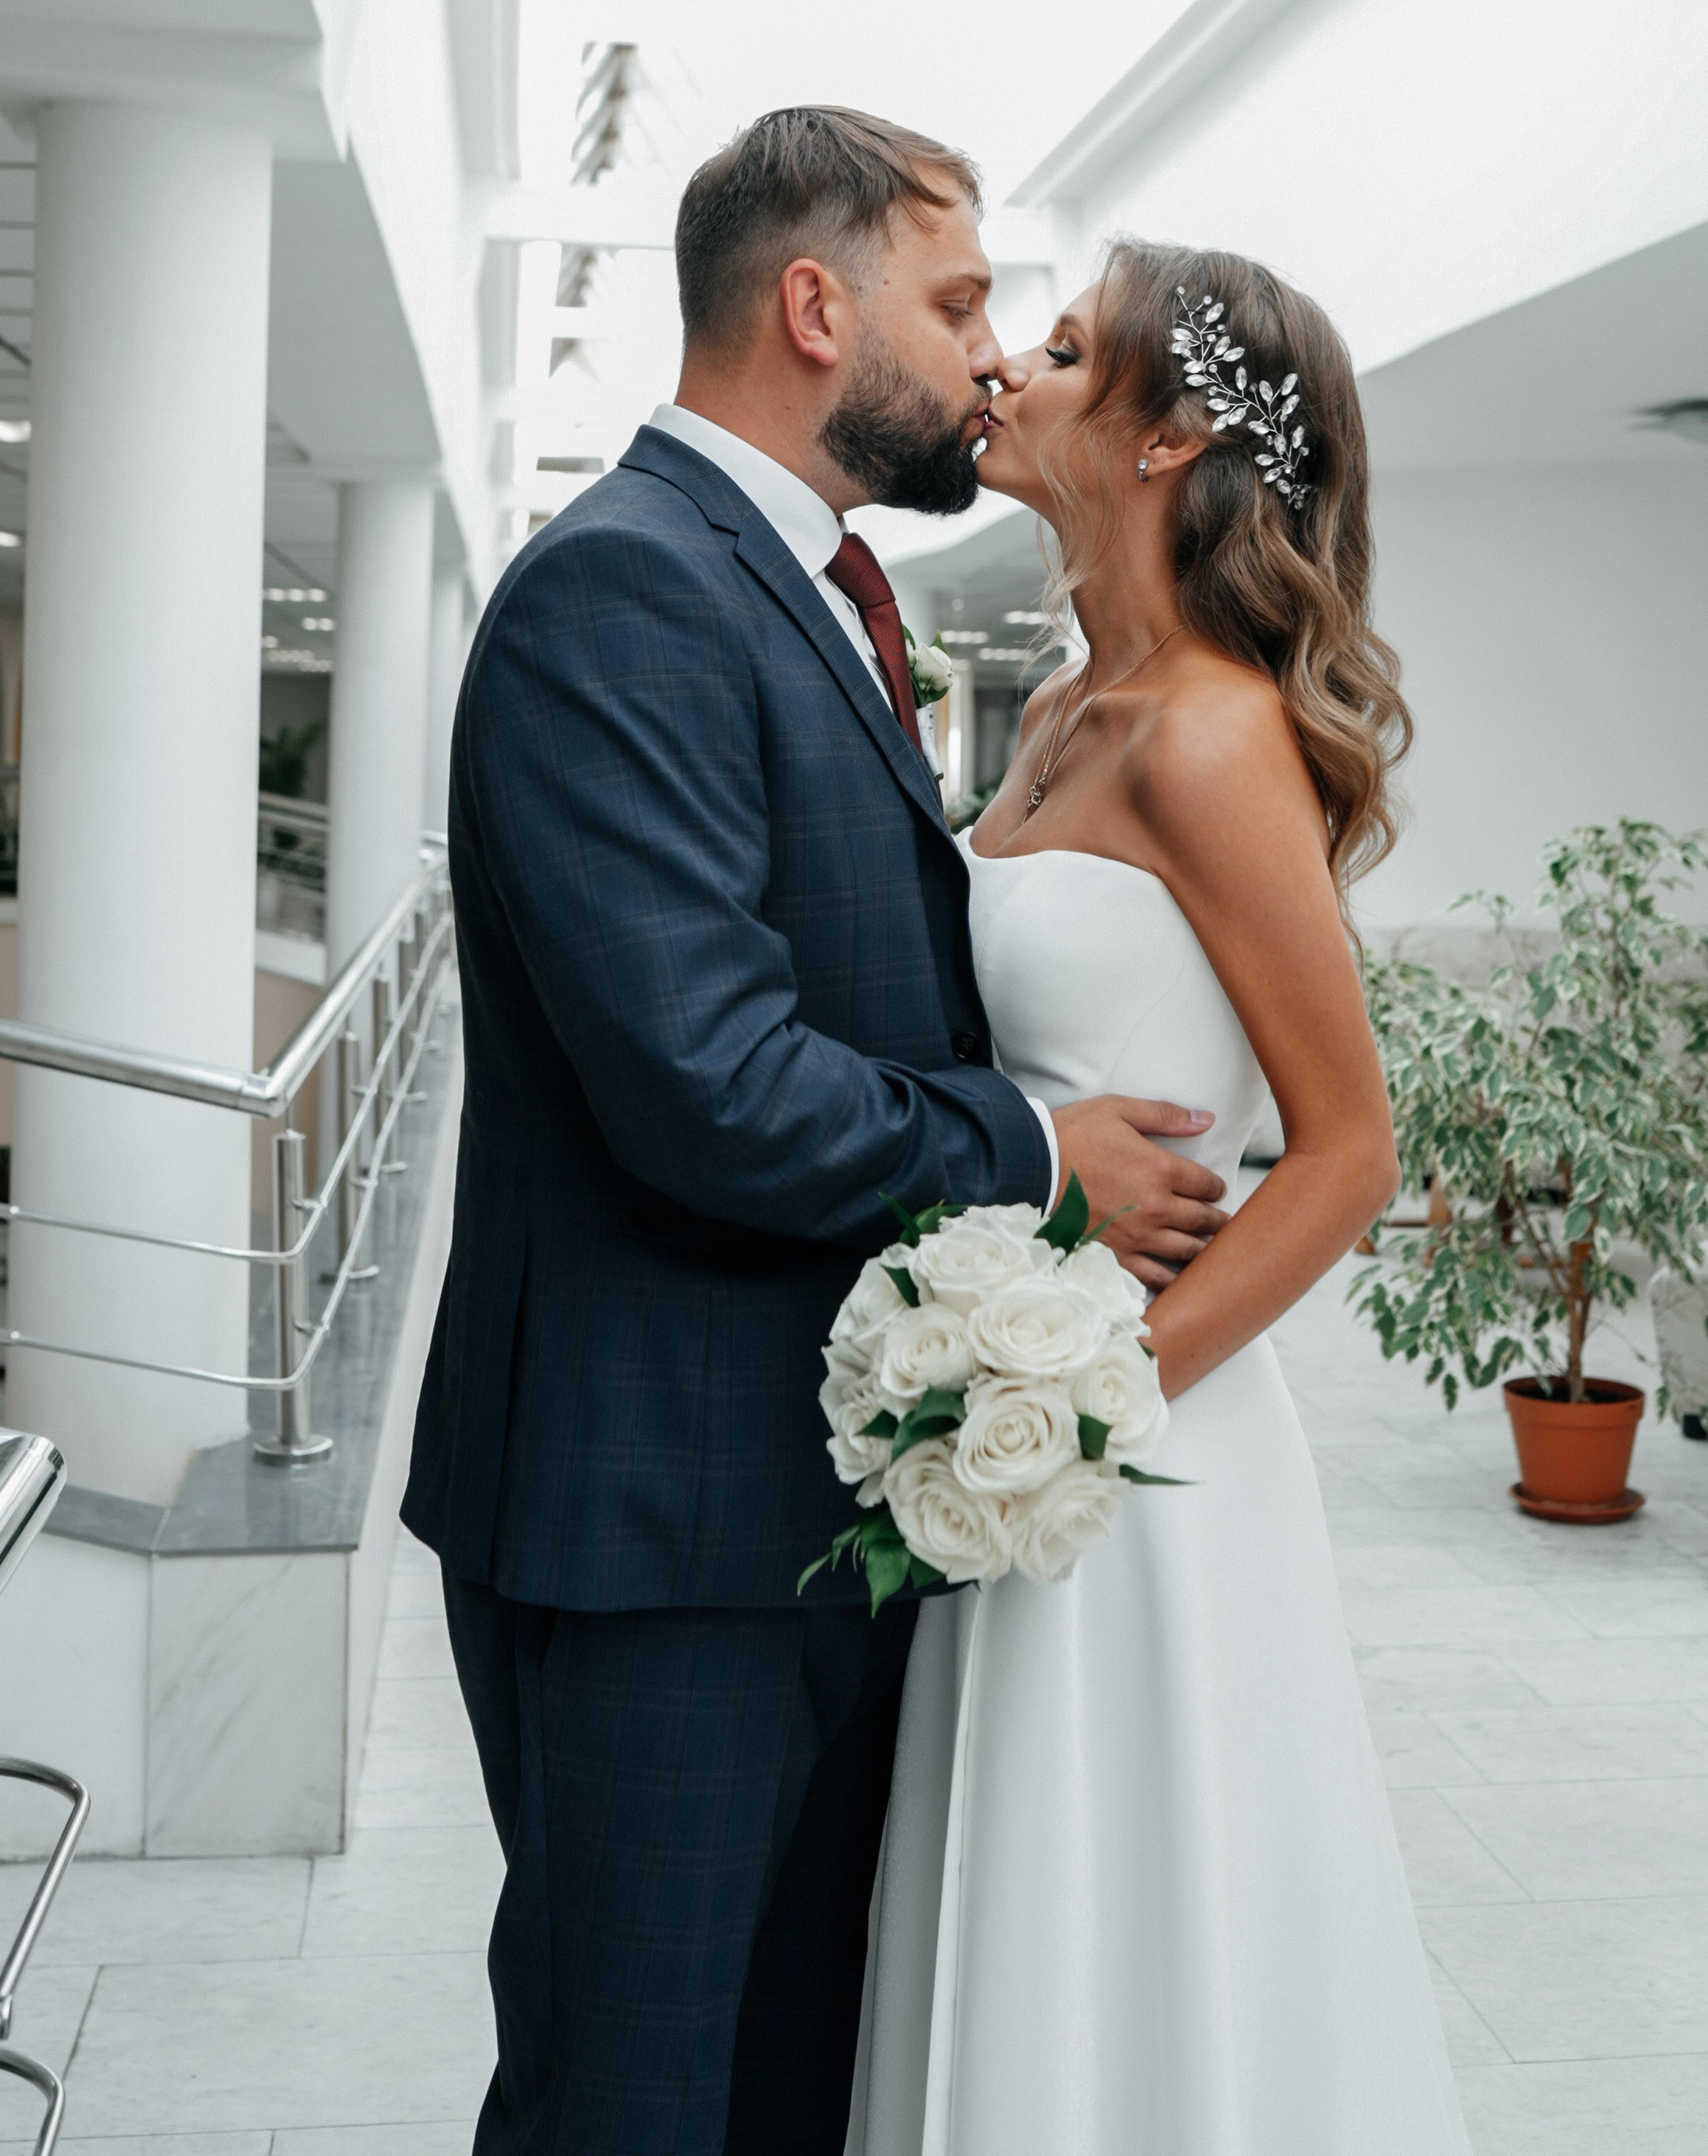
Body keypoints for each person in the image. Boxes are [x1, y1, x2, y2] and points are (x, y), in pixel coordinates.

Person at [400, 111, 1230, 2155]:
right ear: (811, 307)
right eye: (957, 304)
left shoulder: (800, 588)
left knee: (775, 2092)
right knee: (633, 2103)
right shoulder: (628, 590)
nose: (991, 354)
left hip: (793, 1503)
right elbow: (707, 1078)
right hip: (655, 1533)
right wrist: (1038, 1157)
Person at [848, 240, 1472, 2155]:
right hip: (1005, 1385)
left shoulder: (1210, 730)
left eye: (1059, 349)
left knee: (1131, 1922)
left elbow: (1348, 1152)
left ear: (1170, 434)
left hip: (1136, 1434)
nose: (1006, 370)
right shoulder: (1058, 713)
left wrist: (1079, 1411)